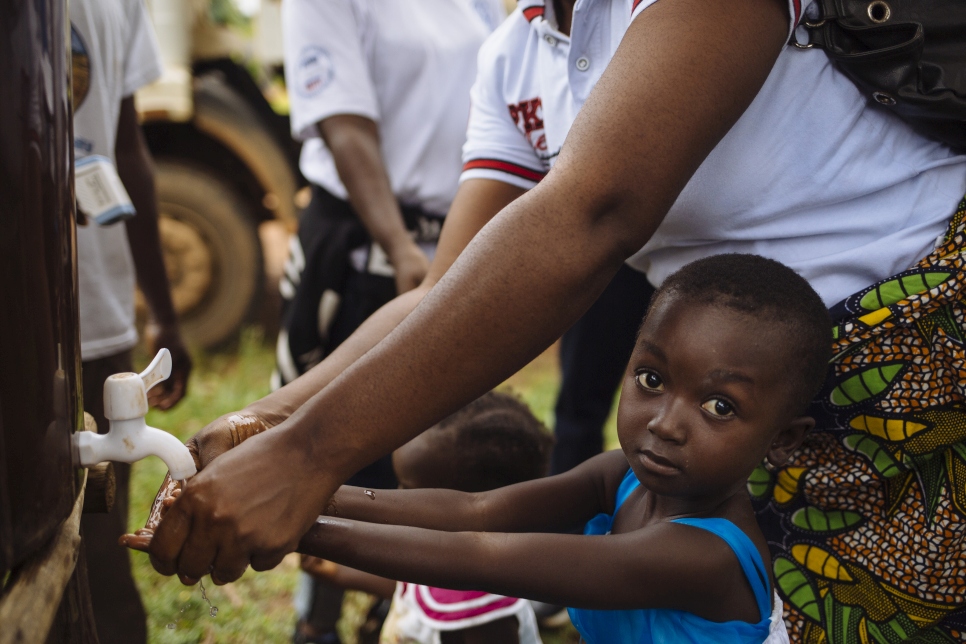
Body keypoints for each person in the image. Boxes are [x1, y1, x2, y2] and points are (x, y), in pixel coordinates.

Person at [134, 0, 966, 639]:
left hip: (904, 394)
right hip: (732, 401)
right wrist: (267, 425)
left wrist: (307, 458)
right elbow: (451, 291)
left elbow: (591, 215)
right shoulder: (522, 48)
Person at [294, 254, 823, 644]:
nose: (665, 424)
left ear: (782, 440)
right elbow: (477, 510)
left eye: (719, 407)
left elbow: (478, 556)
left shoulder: (706, 557)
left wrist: (298, 527)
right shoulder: (625, 477)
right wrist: (306, 492)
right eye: (652, 378)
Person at [278, 2, 505, 640]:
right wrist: (401, 245)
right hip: (368, 243)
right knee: (336, 431)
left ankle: (403, 609)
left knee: (425, 449)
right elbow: (342, 123)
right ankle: (316, 617)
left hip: (455, 239)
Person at [70, 0, 192, 642]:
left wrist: (164, 316)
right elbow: (127, 147)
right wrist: (164, 318)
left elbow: (126, 147)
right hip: (98, 310)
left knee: (90, 539)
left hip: (93, 313)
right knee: (91, 543)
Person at [301, 391, 550, 644]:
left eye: (408, 490)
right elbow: (412, 586)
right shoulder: (440, 555)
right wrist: (338, 573)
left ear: (470, 506)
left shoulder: (484, 611)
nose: (394, 499)